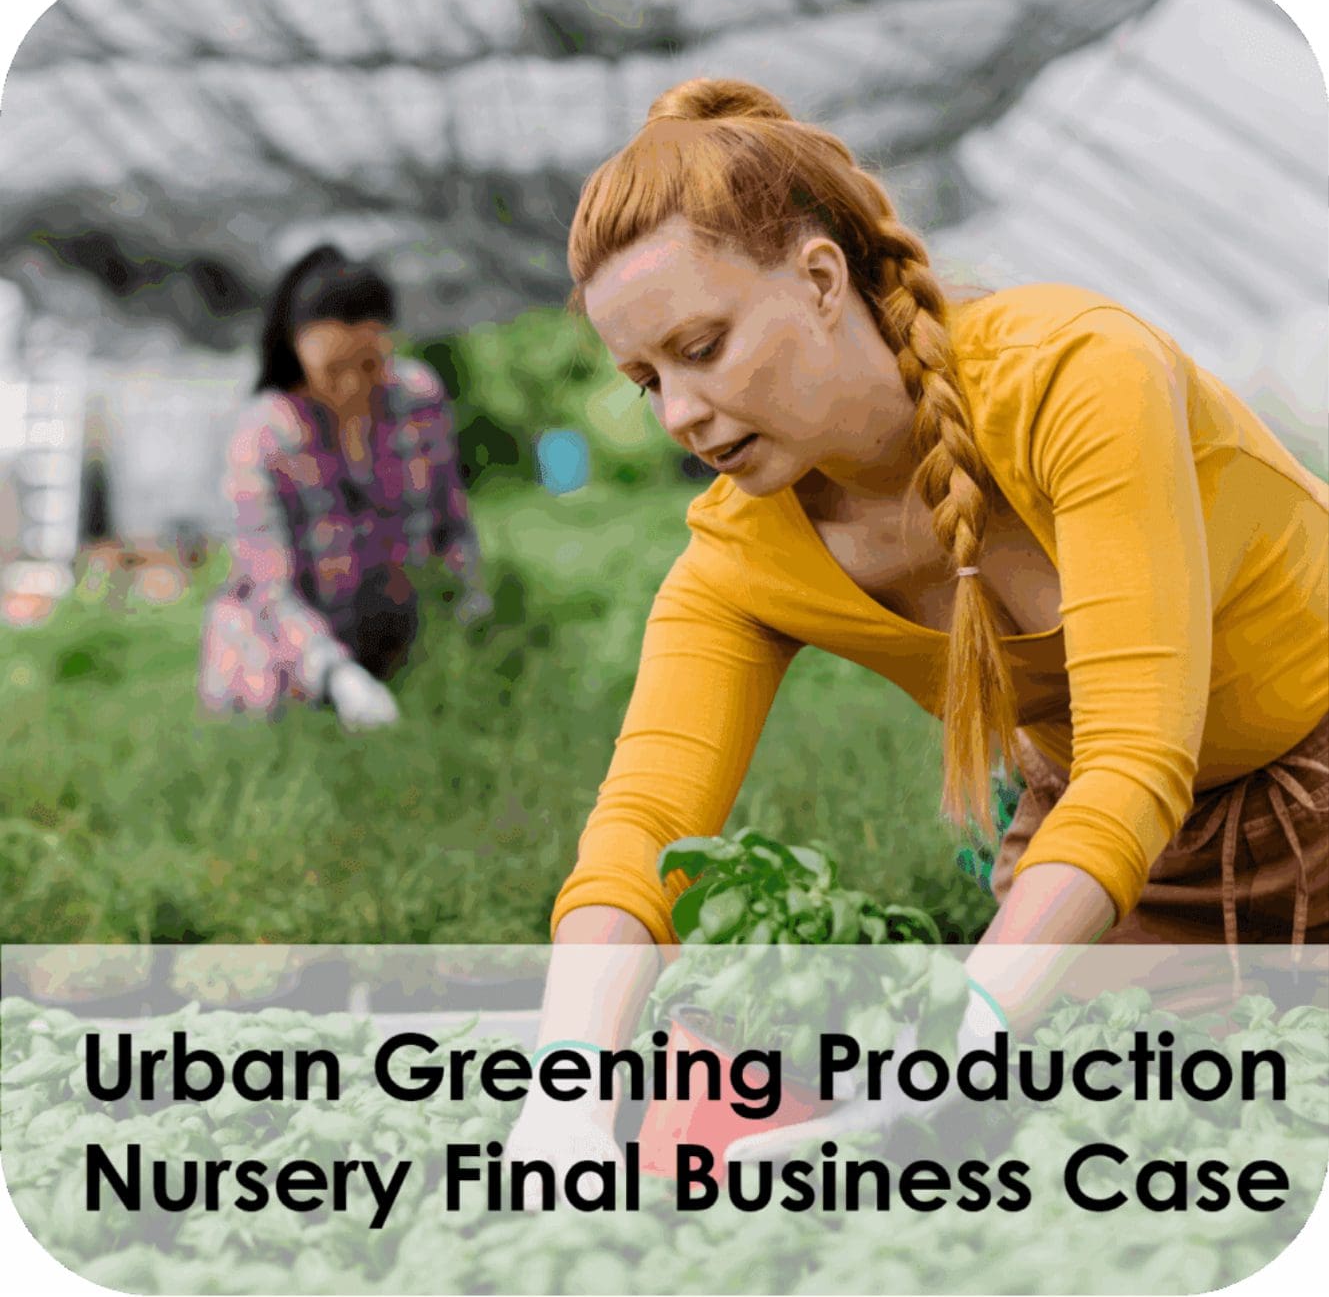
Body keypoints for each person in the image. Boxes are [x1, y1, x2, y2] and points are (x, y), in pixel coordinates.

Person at [505, 78, 1327, 1172]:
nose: (682, 414)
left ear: (819, 279)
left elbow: (1136, 753)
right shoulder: (739, 556)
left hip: (1270, 780)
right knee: (1096, 1144)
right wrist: (565, 1090)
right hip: (1130, 870)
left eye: (703, 347)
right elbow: (641, 831)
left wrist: (964, 1028)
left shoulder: (1072, 376)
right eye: (645, 380)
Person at [199, 245, 491, 728]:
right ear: (297, 351)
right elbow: (270, 589)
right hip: (282, 659)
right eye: (333, 369)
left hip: (394, 641)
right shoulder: (265, 437)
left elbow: (452, 524)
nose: (354, 386)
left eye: (371, 364)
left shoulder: (419, 401)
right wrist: (337, 677)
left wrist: (470, 610)